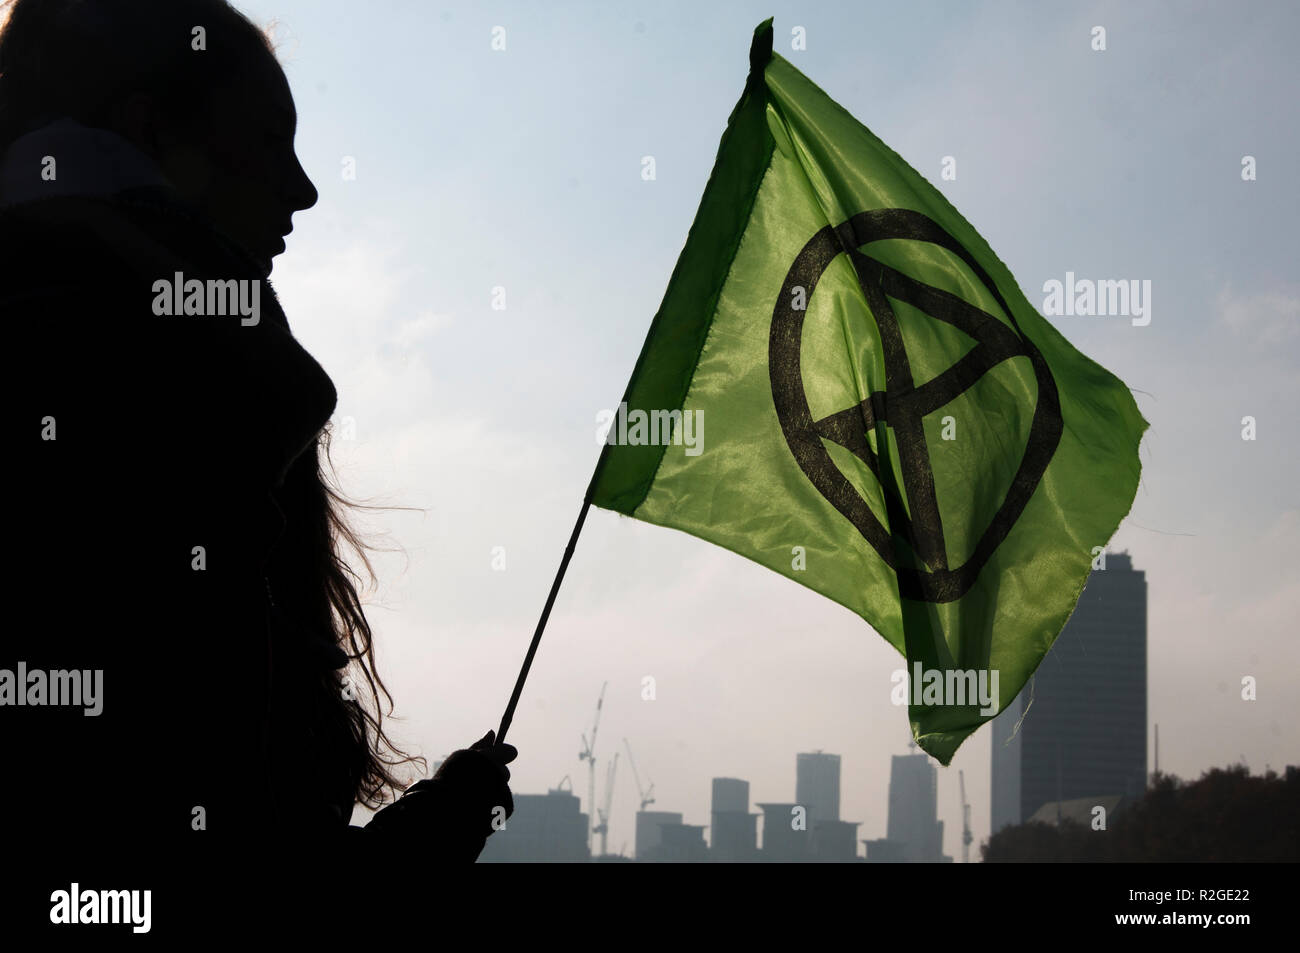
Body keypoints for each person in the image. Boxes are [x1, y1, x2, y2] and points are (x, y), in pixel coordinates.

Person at [0, 0, 515, 890]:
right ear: (146, 130)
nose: (303, 188)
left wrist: (429, 831)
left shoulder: (165, 376)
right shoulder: (172, 395)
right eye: (270, 140)